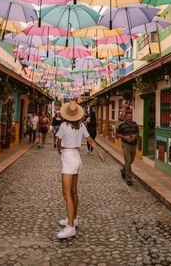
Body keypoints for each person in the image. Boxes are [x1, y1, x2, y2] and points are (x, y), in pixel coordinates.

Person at [56, 101, 105, 239]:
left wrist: (59, 149)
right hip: (76, 157)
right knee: (73, 190)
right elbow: (90, 140)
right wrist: (99, 153)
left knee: (66, 193)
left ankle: (70, 227)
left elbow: (57, 140)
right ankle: (73, 218)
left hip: (69, 158)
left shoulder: (64, 125)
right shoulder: (82, 125)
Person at [117, 111, 139, 186]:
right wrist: (124, 137)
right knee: (128, 161)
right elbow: (118, 134)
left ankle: (124, 171)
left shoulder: (134, 124)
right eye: (128, 116)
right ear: (125, 117)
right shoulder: (121, 125)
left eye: (131, 117)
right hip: (126, 145)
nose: (130, 118)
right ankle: (128, 178)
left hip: (134, 145)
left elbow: (137, 132)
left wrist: (134, 136)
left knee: (130, 161)